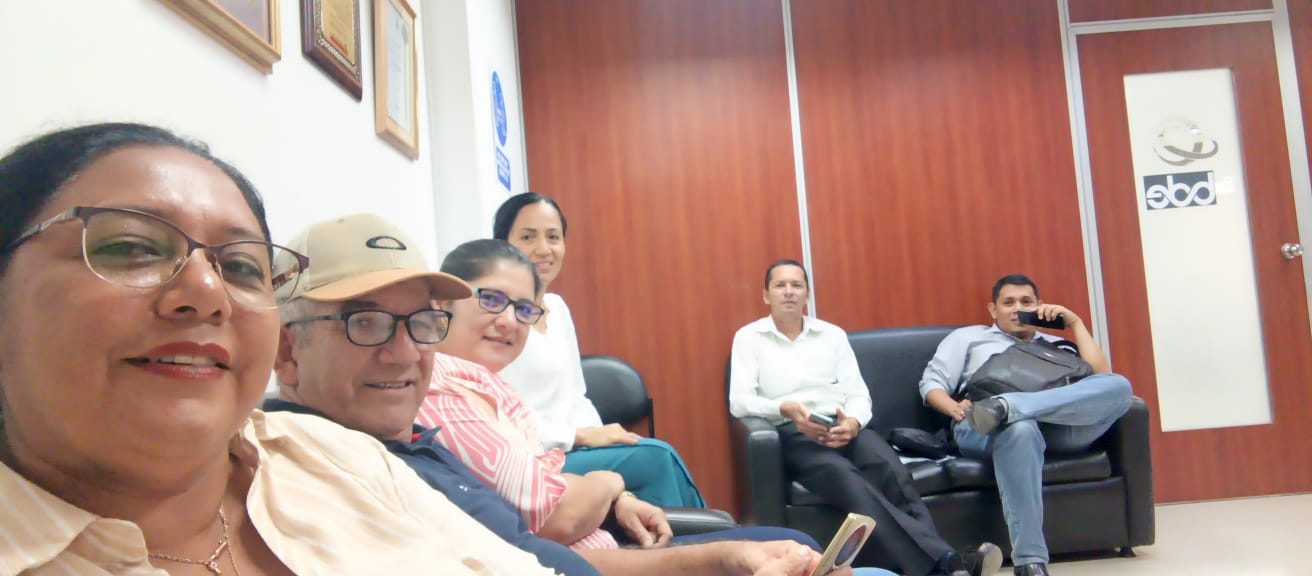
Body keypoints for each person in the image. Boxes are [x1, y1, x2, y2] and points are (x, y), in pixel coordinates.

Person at [0, 122, 559, 575]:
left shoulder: (338, 456)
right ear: (287, 352)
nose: (207, 291)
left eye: (241, 266)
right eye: (131, 247)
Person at [266, 216, 891, 576]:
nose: (404, 352)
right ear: (287, 353)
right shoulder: (326, 472)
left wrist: (729, 557)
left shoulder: (415, 447)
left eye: (419, 323)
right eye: (366, 323)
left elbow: (534, 548)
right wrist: (615, 487)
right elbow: (552, 522)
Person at [730, 259, 1003, 576]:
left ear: (807, 294)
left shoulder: (831, 335)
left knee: (892, 472)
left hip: (846, 426)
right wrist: (784, 408)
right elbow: (740, 401)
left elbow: (859, 394)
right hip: (796, 433)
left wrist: (854, 423)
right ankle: (945, 563)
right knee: (849, 480)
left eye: (796, 285)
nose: (789, 291)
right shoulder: (749, 338)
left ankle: (941, 563)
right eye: (780, 285)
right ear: (766, 295)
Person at [493, 192, 704, 508]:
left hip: (572, 448)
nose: (544, 249)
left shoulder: (557, 307)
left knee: (652, 451)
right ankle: (699, 537)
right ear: (503, 245)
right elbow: (495, 414)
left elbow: (576, 395)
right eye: (528, 237)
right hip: (529, 458)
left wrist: (602, 435)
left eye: (554, 237)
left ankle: (703, 533)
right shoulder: (497, 319)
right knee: (656, 458)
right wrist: (578, 436)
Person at [918, 274, 1135, 576]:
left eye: (1026, 302)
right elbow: (931, 384)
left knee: (1120, 386)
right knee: (1020, 429)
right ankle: (1030, 561)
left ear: (1039, 306)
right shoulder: (968, 338)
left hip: (1054, 425)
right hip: (984, 424)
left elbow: (1101, 379)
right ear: (993, 309)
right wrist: (954, 408)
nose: (1017, 308)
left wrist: (1074, 323)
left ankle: (1009, 406)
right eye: (1008, 302)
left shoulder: (1057, 345)